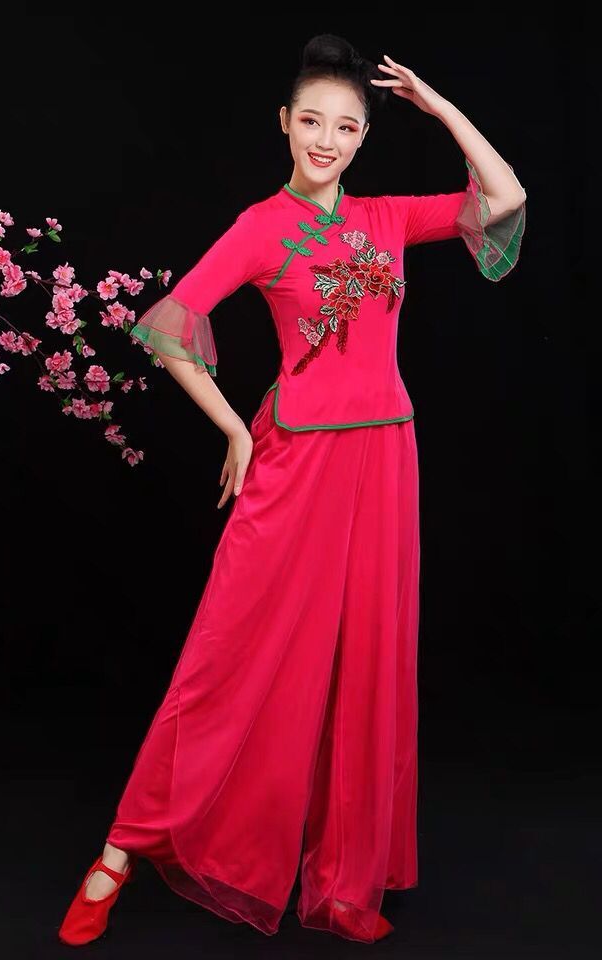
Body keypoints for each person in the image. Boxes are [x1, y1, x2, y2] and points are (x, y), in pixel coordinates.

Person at [58, 33, 526, 946]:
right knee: (231, 653)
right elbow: (170, 327)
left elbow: (504, 197)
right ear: (284, 123)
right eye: (311, 121)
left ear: (364, 138)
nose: (326, 140)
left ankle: (343, 881)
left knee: (364, 660)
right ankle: (118, 851)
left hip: (384, 454)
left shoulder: (387, 218)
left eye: (346, 127)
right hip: (297, 460)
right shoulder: (259, 226)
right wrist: (236, 428)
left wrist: (439, 109)